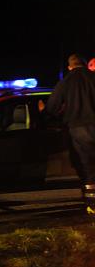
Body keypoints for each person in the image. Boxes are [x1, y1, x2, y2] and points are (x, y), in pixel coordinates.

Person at [44, 54, 95, 215]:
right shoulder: (93, 78)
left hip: (79, 129)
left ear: (69, 67)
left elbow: (52, 107)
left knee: (87, 165)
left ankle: (92, 204)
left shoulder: (65, 82)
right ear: (85, 65)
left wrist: (43, 112)